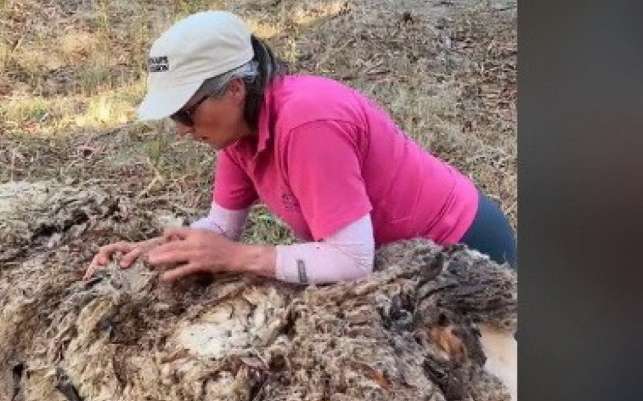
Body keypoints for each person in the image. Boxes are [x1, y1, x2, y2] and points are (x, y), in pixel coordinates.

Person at [84, 10, 517, 285]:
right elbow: (221, 228)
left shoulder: (309, 123)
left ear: (234, 89)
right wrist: (155, 252)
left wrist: (238, 257)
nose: (181, 130)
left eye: (185, 113)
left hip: (461, 252)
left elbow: (350, 260)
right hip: (398, 264)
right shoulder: (238, 135)